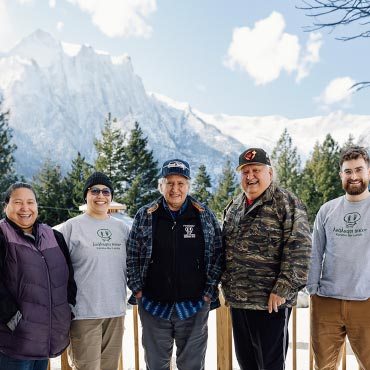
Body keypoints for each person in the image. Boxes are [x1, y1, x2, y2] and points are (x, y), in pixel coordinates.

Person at [127, 159, 223, 370]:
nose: (175, 189)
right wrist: (138, 290)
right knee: (156, 365)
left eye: (180, 183)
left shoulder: (203, 215)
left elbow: (218, 254)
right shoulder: (146, 215)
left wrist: (208, 293)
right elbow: (132, 255)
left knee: (191, 366)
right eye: (169, 183)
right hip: (153, 306)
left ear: (188, 185)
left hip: (194, 307)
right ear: (161, 185)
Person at [222, 148, 311, 370]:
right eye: (245, 171)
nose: (250, 176)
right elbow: (223, 248)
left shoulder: (287, 203)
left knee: (270, 365)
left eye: (256, 170)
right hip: (239, 301)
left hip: (271, 304)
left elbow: (300, 249)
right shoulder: (233, 207)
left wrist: (282, 288)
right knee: (247, 364)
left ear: (269, 173)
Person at [0, 182, 76, 370]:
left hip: (46, 339)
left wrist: (68, 309)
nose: (25, 208)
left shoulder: (53, 236)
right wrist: (13, 320)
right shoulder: (2, 235)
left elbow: (69, 279)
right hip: (14, 342)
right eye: (18, 202)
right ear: (5, 206)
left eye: (30, 202)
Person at [307, 146, 370, 370]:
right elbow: (315, 252)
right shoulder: (327, 210)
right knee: (323, 366)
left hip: (365, 301)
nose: (354, 176)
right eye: (348, 171)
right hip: (326, 302)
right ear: (341, 175)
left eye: (359, 170)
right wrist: (312, 291)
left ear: (368, 171)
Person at [59, 172, 129, 370]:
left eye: (106, 191)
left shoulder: (122, 229)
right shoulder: (71, 227)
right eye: (95, 190)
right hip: (83, 313)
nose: (101, 195)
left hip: (115, 311)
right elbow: (56, 268)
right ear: (86, 195)